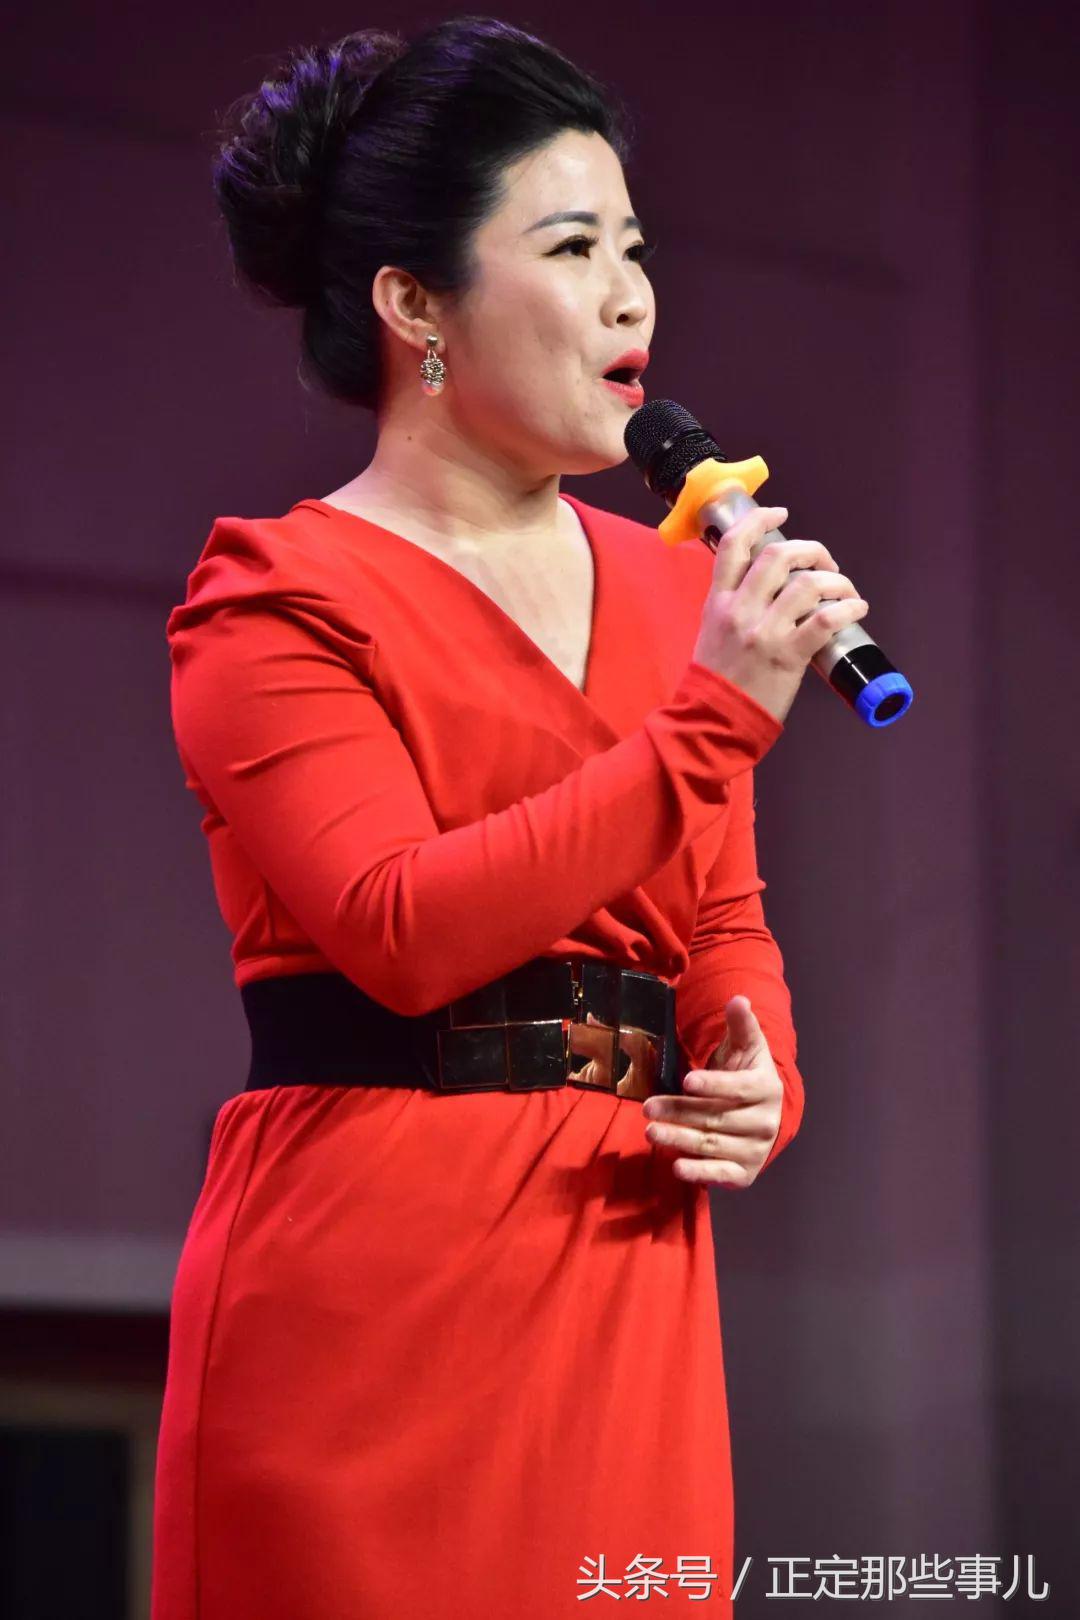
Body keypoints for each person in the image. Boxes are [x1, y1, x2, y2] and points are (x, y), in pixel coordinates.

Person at [150, 17, 869, 1620]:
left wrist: (758, 1071)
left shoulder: (679, 594)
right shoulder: (273, 594)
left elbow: (717, 920)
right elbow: (401, 928)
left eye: (636, 249)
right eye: (572, 247)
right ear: (414, 305)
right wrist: (715, 715)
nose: (632, 297)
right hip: (372, 1280)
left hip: (622, 1261)